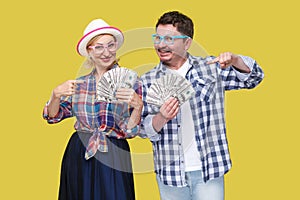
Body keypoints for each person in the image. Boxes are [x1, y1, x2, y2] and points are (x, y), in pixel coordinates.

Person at [140, 11, 264, 200]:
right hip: (170, 173)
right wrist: (161, 117)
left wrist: (236, 60)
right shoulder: (147, 80)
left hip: (209, 169)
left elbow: (254, 78)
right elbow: (143, 130)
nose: (161, 45)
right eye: (157, 37)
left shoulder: (212, 68)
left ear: (187, 43)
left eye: (169, 39)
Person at [43, 19, 143, 200]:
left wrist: (138, 107)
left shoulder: (131, 81)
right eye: (99, 47)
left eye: (110, 45)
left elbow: (131, 131)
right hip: (80, 151)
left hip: (113, 153)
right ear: (89, 51)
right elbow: (53, 117)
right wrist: (56, 95)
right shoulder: (80, 84)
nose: (106, 52)